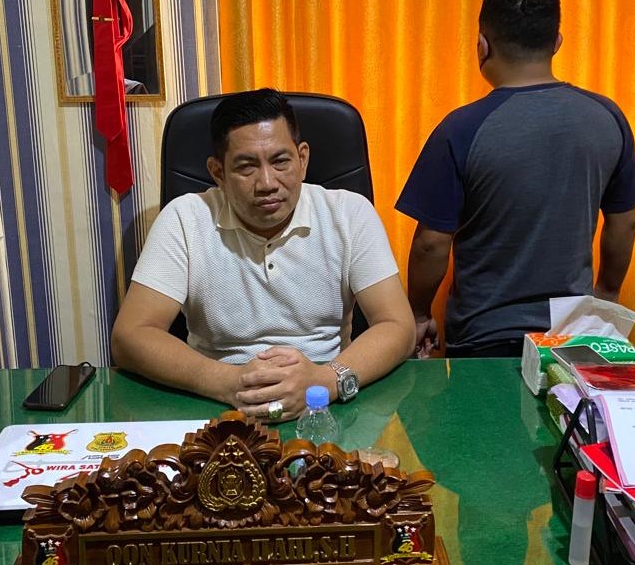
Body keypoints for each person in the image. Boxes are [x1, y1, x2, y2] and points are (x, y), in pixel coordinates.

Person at [112, 88, 415, 422]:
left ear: (302, 159)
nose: (267, 182)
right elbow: (130, 336)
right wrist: (230, 383)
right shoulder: (185, 218)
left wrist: (325, 381)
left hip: (326, 403)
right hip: (215, 404)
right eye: (246, 167)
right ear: (218, 173)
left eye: (280, 161)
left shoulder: (350, 213)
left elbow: (398, 326)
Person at [396, 0, 635, 359]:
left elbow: (431, 243)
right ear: (557, 42)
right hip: (570, 337)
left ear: (482, 46)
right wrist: (606, 296)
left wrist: (418, 314)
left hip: (482, 340)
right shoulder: (607, 117)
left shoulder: (460, 129)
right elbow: (624, 224)